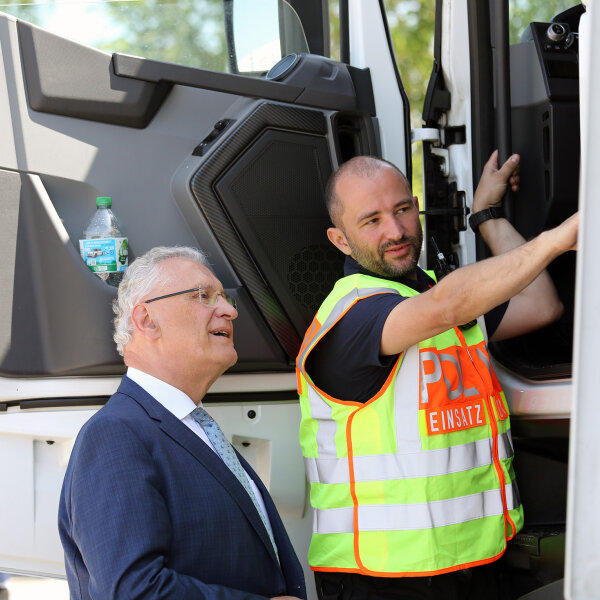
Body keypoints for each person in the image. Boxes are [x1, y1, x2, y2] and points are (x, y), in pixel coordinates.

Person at [296, 152, 578, 599]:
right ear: (341, 240)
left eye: (403, 209)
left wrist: (485, 215)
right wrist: (557, 239)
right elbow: (446, 306)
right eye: (371, 221)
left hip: (472, 564)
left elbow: (541, 303)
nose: (396, 231)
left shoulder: (430, 291)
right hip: (385, 581)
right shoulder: (353, 314)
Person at [59, 246, 306, 600]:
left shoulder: (198, 429)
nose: (229, 310)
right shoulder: (114, 435)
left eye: (225, 298)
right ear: (146, 320)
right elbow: (133, 591)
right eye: (204, 296)